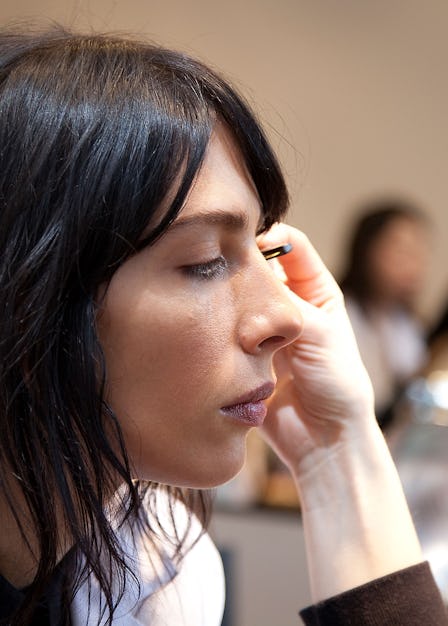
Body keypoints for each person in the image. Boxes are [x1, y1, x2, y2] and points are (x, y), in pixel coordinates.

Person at [0, 26, 446, 626]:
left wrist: (336, 449)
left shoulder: (161, 574)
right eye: (205, 260)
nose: (290, 317)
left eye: (264, 253)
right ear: (28, 297)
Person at [339, 201, 431, 426]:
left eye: (418, 252)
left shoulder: (407, 324)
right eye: (401, 251)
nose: (413, 264)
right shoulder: (343, 312)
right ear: (367, 250)